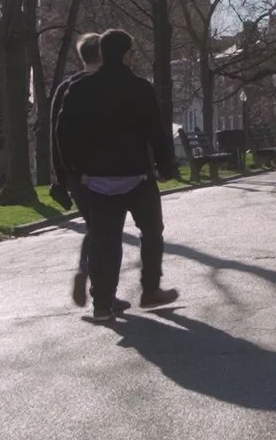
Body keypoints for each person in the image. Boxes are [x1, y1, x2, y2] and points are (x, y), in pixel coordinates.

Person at [51, 28, 179, 322]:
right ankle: (150, 289)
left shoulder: (78, 90)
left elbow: (62, 133)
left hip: (97, 179)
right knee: (151, 230)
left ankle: (103, 304)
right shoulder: (140, 88)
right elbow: (155, 133)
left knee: (104, 240)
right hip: (136, 175)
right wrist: (165, 166)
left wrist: (73, 170)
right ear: (125, 54)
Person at [49, 32, 103, 307]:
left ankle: (88, 276)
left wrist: (60, 178)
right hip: (102, 170)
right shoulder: (103, 86)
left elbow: (55, 134)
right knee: (103, 229)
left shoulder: (65, 87)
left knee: (96, 227)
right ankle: (98, 287)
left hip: (74, 173)